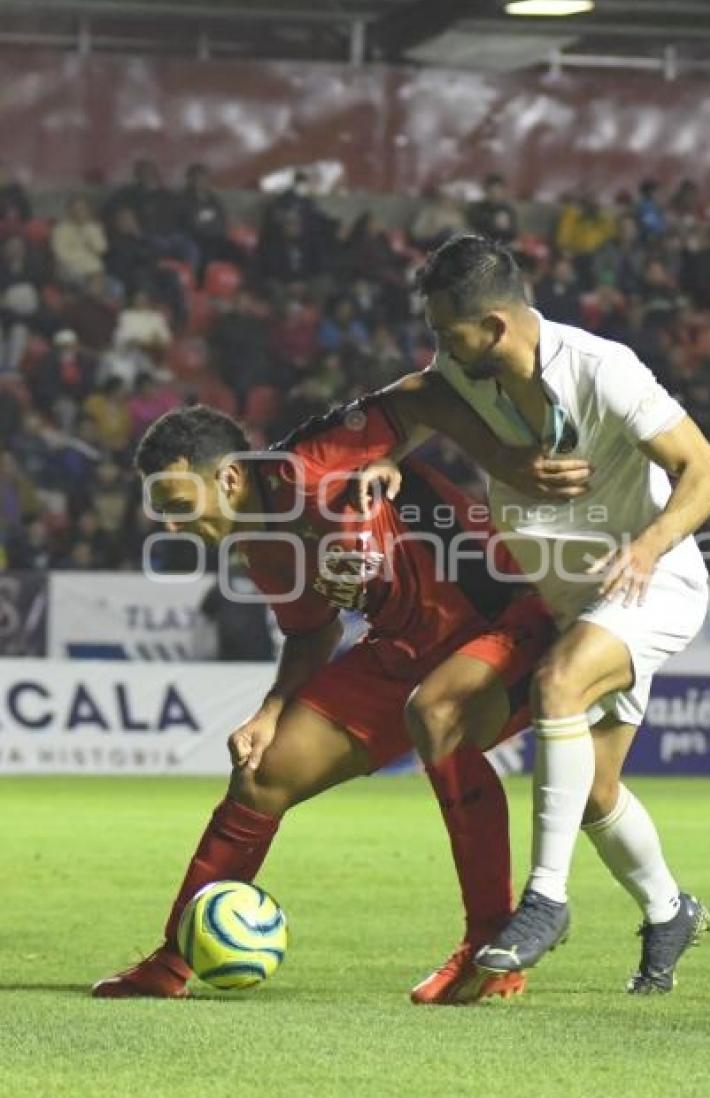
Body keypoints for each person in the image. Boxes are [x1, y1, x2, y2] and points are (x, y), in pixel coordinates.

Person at [92, 401, 557, 1005]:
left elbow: (427, 390)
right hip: (405, 647)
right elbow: (313, 632)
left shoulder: (309, 461)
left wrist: (406, 457)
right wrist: (271, 711)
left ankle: (492, 948)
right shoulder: (259, 547)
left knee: (440, 719)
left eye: (181, 507)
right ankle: (174, 961)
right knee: (264, 772)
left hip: (506, 613)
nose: (173, 528)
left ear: (228, 479)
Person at [364, 234, 710, 993]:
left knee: (557, 684)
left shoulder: (604, 369)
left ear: (494, 326)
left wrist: (649, 547)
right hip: (572, 600)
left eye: (446, 331)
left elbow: (708, 471)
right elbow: (410, 396)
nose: (438, 346)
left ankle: (545, 900)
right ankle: (671, 910)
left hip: (649, 584)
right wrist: (386, 458)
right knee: (595, 791)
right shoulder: (461, 376)